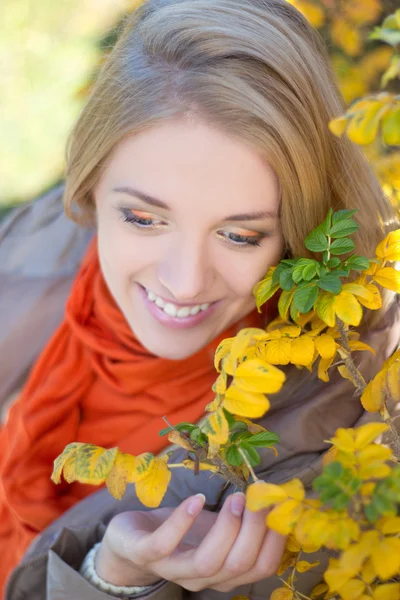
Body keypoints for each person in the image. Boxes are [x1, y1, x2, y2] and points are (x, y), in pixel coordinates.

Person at [1, 0, 399, 598]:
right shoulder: (46, 236)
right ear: (89, 186)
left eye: (240, 235)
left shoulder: (325, 459)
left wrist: (116, 580)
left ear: (302, 227)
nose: (184, 283)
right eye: (143, 218)